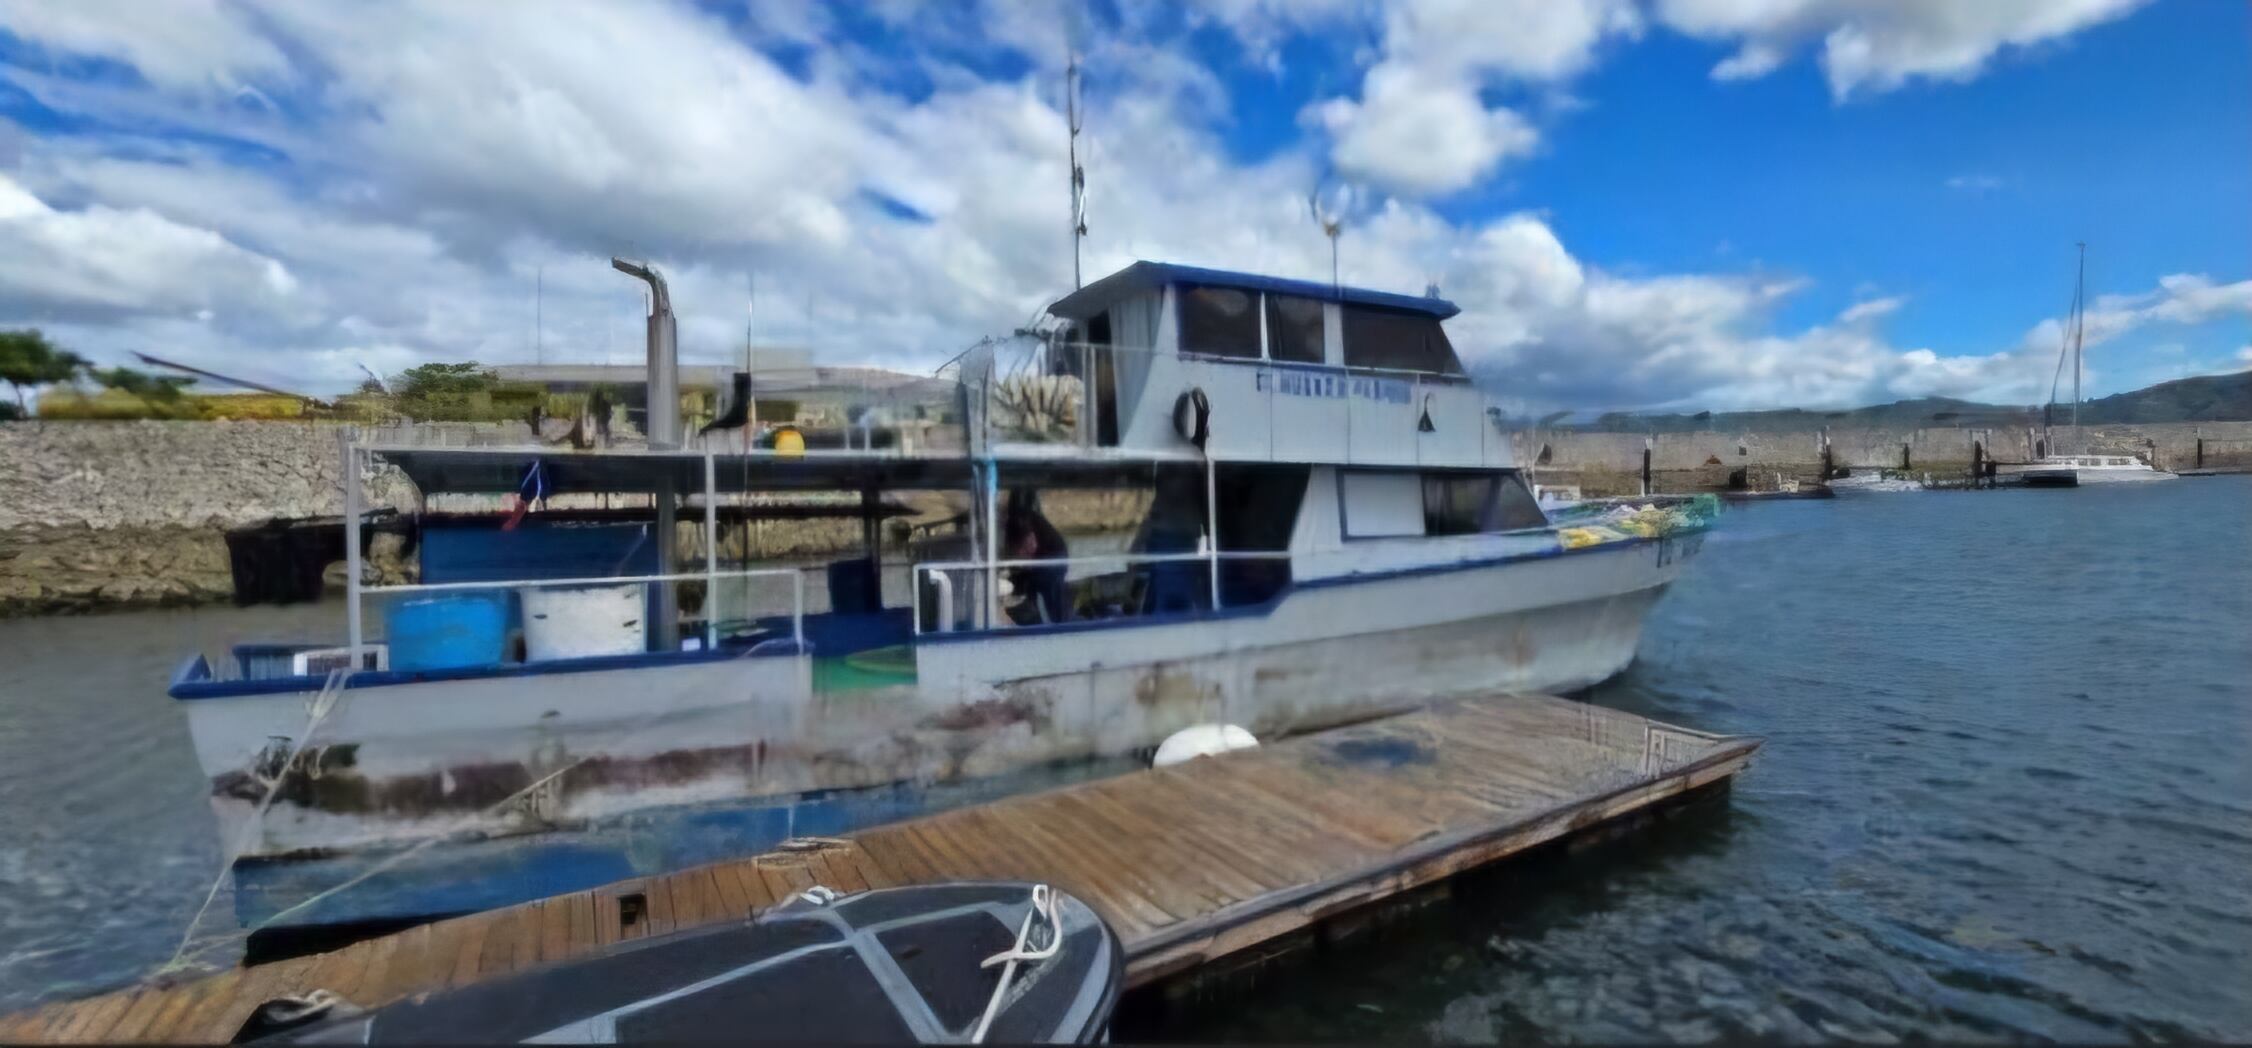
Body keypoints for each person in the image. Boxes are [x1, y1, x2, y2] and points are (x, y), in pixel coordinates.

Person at [1002, 489, 1070, 625]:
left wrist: (1021, 564)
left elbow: (1029, 546)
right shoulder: (1022, 520)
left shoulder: (1020, 521)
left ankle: (1057, 625)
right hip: (1052, 558)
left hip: (1052, 560)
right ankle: (1038, 620)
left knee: (1038, 587)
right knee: (1024, 583)